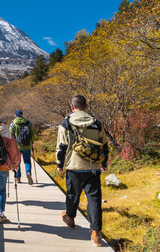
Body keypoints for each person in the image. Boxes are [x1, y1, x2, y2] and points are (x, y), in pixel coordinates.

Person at [56, 95, 109, 247]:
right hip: (94, 167)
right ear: (86, 106)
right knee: (94, 199)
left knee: (73, 195)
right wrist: (104, 163)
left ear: (72, 107)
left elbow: (61, 146)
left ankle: (71, 219)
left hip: (74, 166)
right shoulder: (96, 123)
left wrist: (60, 164)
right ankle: (96, 234)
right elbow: (104, 145)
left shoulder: (66, 123)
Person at [9, 110, 35, 185]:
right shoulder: (28, 123)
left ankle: (17, 178)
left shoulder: (13, 124)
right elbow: (32, 133)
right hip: (27, 145)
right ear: (22, 115)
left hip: (17, 146)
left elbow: (10, 135)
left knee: (17, 162)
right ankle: (28, 172)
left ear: (15, 115)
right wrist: (32, 141)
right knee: (27, 161)